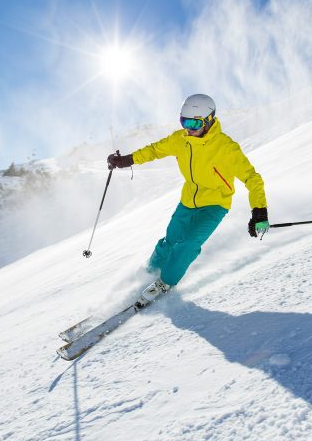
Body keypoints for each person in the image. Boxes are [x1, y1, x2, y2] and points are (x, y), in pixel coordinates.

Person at [107, 93, 269, 305]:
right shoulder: (180, 140)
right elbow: (154, 150)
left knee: (188, 243)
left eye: (194, 122)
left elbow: (252, 178)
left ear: (209, 120)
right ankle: (149, 271)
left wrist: (259, 212)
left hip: (215, 204)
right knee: (169, 241)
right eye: (184, 122)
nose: (188, 128)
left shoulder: (226, 148)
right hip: (188, 201)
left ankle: (165, 282)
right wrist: (126, 160)